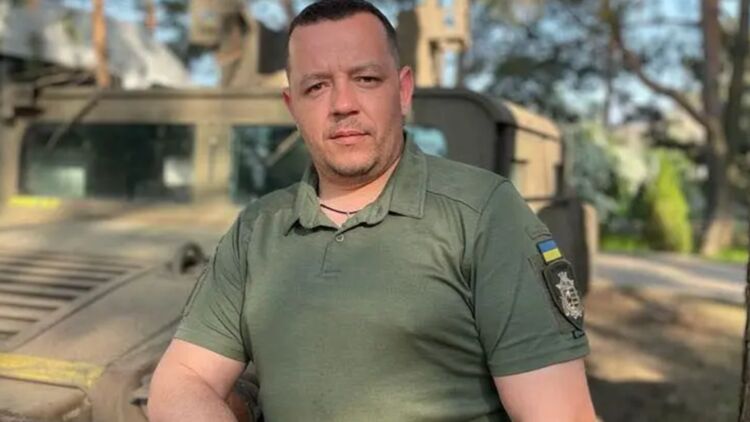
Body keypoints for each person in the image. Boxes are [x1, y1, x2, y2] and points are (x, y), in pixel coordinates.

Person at [148, 0, 596, 420]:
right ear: (292, 106)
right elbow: (181, 381)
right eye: (317, 86)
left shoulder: (483, 214)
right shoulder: (257, 229)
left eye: (365, 79)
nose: (343, 105)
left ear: (403, 91)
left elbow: (561, 414)